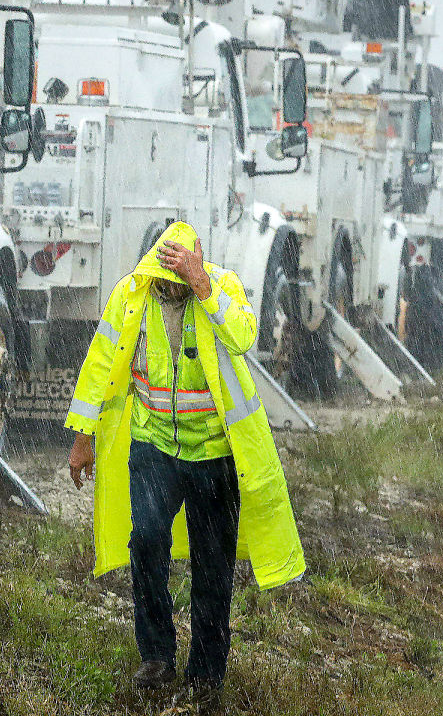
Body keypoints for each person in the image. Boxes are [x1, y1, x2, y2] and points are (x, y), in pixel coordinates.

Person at [65, 221, 305, 707]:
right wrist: (81, 438)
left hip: (214, 455)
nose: (167, 286)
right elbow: (99, 362)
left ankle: (205, 675)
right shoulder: (132, 297)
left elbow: (242, 335)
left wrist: (202, 285)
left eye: (177, 276)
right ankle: (155, 654)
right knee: (147, 539)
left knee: (212, 568)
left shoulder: (222, 287)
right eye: (163, 275)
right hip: (154, 446)